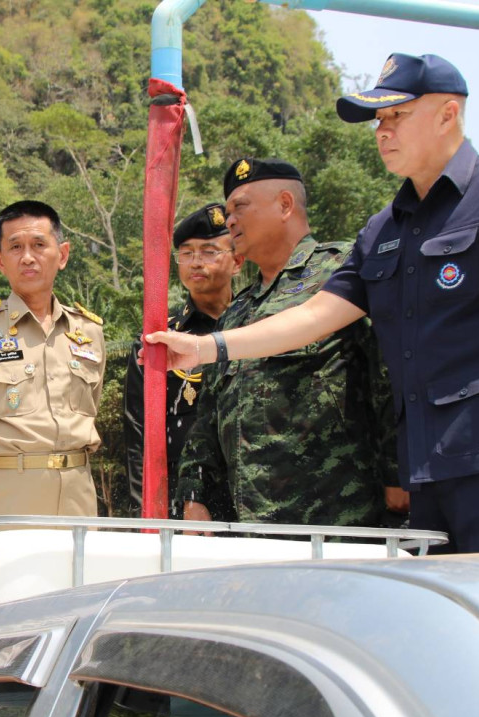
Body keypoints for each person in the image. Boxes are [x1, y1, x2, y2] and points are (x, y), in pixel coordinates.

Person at [145, 53, 479, 553]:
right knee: (438, 603)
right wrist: (204, 349)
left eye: (398, 115)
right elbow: (316, 315)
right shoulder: (384, 229)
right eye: (379, 120)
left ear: (447, 114)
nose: (383, 131)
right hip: (426, 473)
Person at [172, 158, 404, 531]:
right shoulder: (238, 311)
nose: (230, 221)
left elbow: (391, 372)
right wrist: (194, 495)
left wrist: (398, 473)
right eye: (228, 212)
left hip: (339, 521)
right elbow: (207, 417)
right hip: (253, 528)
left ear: (284, 204)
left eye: (240, 208)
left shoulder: (341, 273)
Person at [0, 200, 105, 521]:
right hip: (7, 497)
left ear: (62, 255)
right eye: (15, 247)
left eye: (39, 245)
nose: (28, 257)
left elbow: (92, 408)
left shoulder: (88, 331)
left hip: (78, 496)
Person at [123, 203, 242, 519]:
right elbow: (138, 435)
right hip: (180, 499)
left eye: (209, 252)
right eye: (187, 253)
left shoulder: (261, 327)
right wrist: (144, 513)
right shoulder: (159, 340)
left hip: (254, 491)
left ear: (237, 262)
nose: (196, 262)